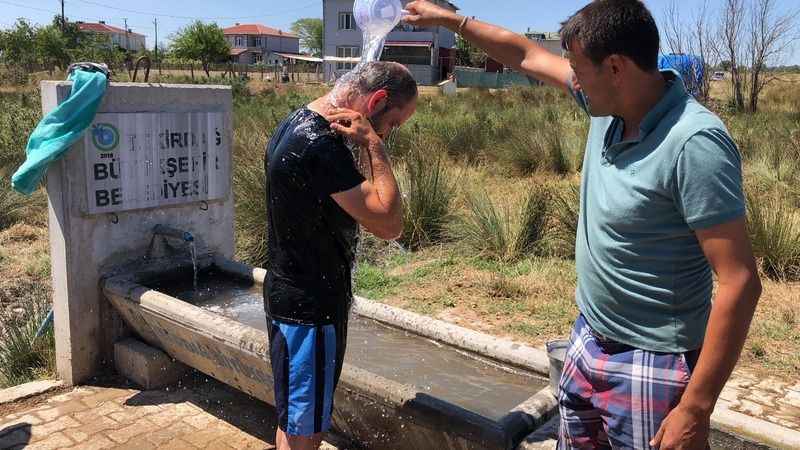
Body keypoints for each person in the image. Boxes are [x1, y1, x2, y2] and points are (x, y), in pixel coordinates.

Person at [403, 1, 762, 449]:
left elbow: (739, 281)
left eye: (578, 68)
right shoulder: (607, 105)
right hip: (587, 337)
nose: (572, 78)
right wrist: (450, 21)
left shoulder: (694, 143)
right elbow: (524, 54)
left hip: (652, 361)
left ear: (615, 67)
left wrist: (695, 406)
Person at [263, 61, 417, 450]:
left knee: (294, 416)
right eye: (393, 123)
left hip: (287, 292)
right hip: (311, 309)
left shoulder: (296, 121)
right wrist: (374, 145)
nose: (389, 132)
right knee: (307, 429)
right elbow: (389, 223)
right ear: (378, 100)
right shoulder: (322, 147)